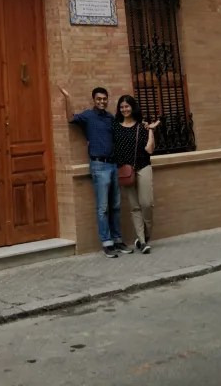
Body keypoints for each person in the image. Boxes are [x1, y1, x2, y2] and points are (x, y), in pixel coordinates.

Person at [58, 85, 133, 258]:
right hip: (99, 166)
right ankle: (107, 243)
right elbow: (70, 118)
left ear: (107, 100)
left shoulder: (111, 118)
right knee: (103, 207)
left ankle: (117, 240)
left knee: (115, 205)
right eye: (99, 99)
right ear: (94, 100)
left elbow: (121, 135)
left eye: (104, 99)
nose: (102, 101)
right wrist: (67, 98)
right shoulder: (88, 116)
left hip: (114, 165)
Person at [113, 95, 159, 254]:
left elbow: (150, 150)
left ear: (133, 107)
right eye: (122, 107)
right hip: (125, 171)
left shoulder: (142, 126)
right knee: (134, 206)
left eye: (127, 106)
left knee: (147, 203)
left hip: (143, 166)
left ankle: (146, 234)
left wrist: (151, 130)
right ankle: (142, 240)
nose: (124, 109)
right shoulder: (115, 126)